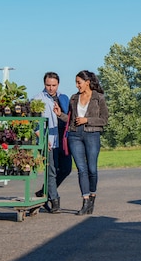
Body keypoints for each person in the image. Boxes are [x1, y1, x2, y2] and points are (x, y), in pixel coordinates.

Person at [54, 70, 109, 215]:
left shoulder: (99, 98)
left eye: (79, 82)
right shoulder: (74, 98)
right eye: (76, 82)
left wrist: (87, 120)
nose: (77, 85)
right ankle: (85, 201)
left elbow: (104, 120)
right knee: (81, 169)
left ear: (87, 82)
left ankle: (92, 196)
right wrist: (60, 114)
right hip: (74, 135)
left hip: (92, 134)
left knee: (92, 169)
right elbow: (71, 120)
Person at [32, 72, 73, 213]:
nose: (51, 88)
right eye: (48, 85)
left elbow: (69, 118)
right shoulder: (37, 99)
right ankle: (55, 201)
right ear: (44, 84)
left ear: (58, 84)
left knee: (66, 169)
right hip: (48, 140)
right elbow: (33, 123)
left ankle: (44, 192)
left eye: (54, 85)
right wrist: (42, 138)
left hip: (63, 139)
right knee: (51, 171)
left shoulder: (64, 98)